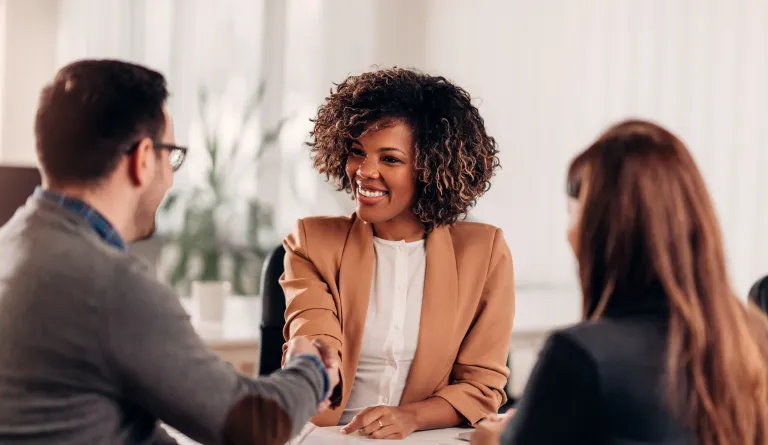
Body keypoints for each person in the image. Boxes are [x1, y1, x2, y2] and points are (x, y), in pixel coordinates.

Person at [0, 59, 339, 445]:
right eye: (171, 155)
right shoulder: (110, 284)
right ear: (143, 158)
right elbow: (258, 424)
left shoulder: (13, 243)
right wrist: (310, 366)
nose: (171, 174)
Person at [472, 119, 768, 445]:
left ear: (598, 230)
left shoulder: (580, 355)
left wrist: (494, 440)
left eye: (574, 211)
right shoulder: (752, 339)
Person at [281, 68, 515, 439]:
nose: (364, 171)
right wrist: (309, 355)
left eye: (389, 159)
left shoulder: (483, 252)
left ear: (431, 168)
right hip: (331, 435)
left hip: (426, 438)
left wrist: (411, 417)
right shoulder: (312, 241)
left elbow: (482, 386)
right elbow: (313, 330)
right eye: (357, 152)